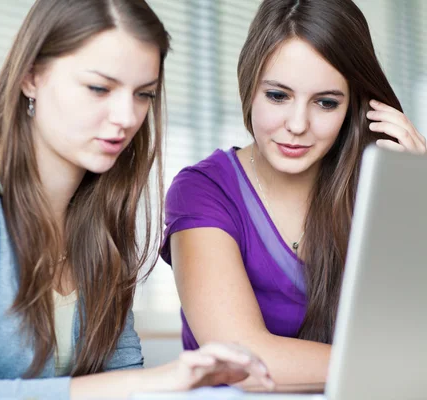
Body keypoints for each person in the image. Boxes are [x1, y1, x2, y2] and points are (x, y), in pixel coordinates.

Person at [0, 0, 275, 399]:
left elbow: (120, 369)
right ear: (31, 76)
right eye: (98, 88)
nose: (127, 117)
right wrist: (155, 380)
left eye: (143, 94)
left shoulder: (99, 203)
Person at [161, 0, 426, 389]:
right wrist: (398, 363)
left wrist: (413, 196)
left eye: (325, 102)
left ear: (355, 105)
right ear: (249, 86)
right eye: (278, 96)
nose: (298, 125)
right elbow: (245, 361)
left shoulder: (368, 190)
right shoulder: (202, 191)